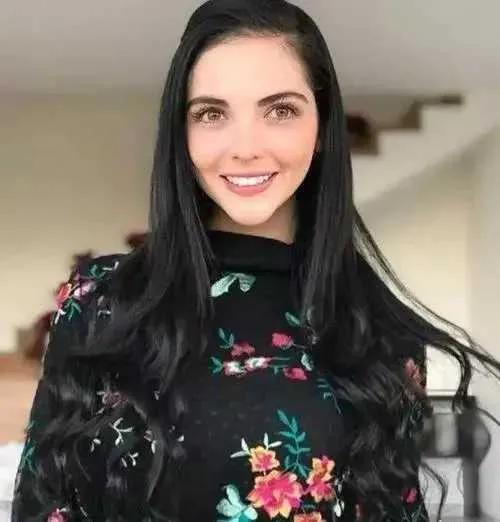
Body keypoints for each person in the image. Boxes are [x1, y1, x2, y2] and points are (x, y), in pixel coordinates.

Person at [11, 0, 500, 520]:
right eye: (212, 114)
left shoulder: (375, 330)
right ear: (181, 133)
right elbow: (44, 503)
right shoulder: (100, 300)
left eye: (280, 110)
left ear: (321, 128)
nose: (245, 147)